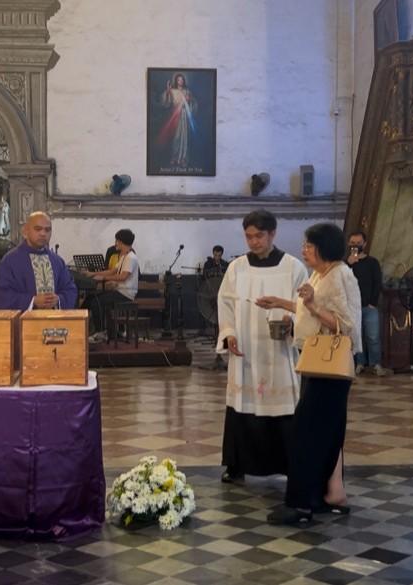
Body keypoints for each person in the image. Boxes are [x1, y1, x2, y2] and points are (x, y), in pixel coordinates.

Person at [260, 222, 362, 525]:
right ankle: (327, 495)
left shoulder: (341, 275)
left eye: (309, 244)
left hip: (330, 368)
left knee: (307, 434)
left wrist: (313, 306)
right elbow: (310, 309)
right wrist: (282, 303)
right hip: (316, 363)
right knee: (323, 434)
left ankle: (301, 504)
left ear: (325, 246)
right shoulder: (322, 274)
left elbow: (346, 325)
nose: (304, 249)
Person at [216, 211, 309, 485]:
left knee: (283, 408)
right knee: (242, 406)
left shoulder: (293, 267)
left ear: (273, 234)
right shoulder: (237, 267)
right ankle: (237, 466)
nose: (253, 242)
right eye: (248, 236)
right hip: (246, 350)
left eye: (259, 236)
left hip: (279, 351)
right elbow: (226, 303)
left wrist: (291, 322)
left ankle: (290, 465)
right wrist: (229, 333)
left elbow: (304, 306)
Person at [0, 212, 78, 311]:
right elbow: (2, 296)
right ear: (25, 231)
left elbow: (70, 289)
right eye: (38, 229)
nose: (43, 233)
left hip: (54, 324)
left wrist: (58, 299)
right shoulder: (10, 261)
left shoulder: (57, 261)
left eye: (47, 230)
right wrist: (32, 301)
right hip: (23, 324)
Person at [83, 229, 139, 342]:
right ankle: (103, 331)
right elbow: (112, 271)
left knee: (96, 302)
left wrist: (103, 278)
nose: (115, 243)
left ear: (121, 241)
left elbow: (123, 277)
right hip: (120, 291)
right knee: (92, 299)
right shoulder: (124, 256)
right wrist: (93, 273)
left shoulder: (131, 257)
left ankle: (101, 333)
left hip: (126, 293)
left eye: (117, 241)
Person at [347, 230, 386, 376]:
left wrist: (373, 303)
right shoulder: (345, 264)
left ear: (365, 244)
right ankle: (359, 363)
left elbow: (377, 283)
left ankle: (376, 364)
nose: (355, 245)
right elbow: (343, 281)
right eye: (352, 243)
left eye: (358, 243)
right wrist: (349, 264)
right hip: (352, 307)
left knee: (373, 336)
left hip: (369, 306)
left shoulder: (372, 262)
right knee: (357, 337)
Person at [157, 72, 197, 167]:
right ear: (176, 81)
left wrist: (190, 100)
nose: (181, 81)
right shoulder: (173, 91)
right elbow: (166, 103)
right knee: (176, 138)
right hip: (175, 116)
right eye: (179, 79)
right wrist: (167, 92)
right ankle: (174, 157)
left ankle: (183, 159)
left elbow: (194, 103)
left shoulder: (187, 91)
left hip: (185, 117)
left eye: (182, 79)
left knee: (185, 138)